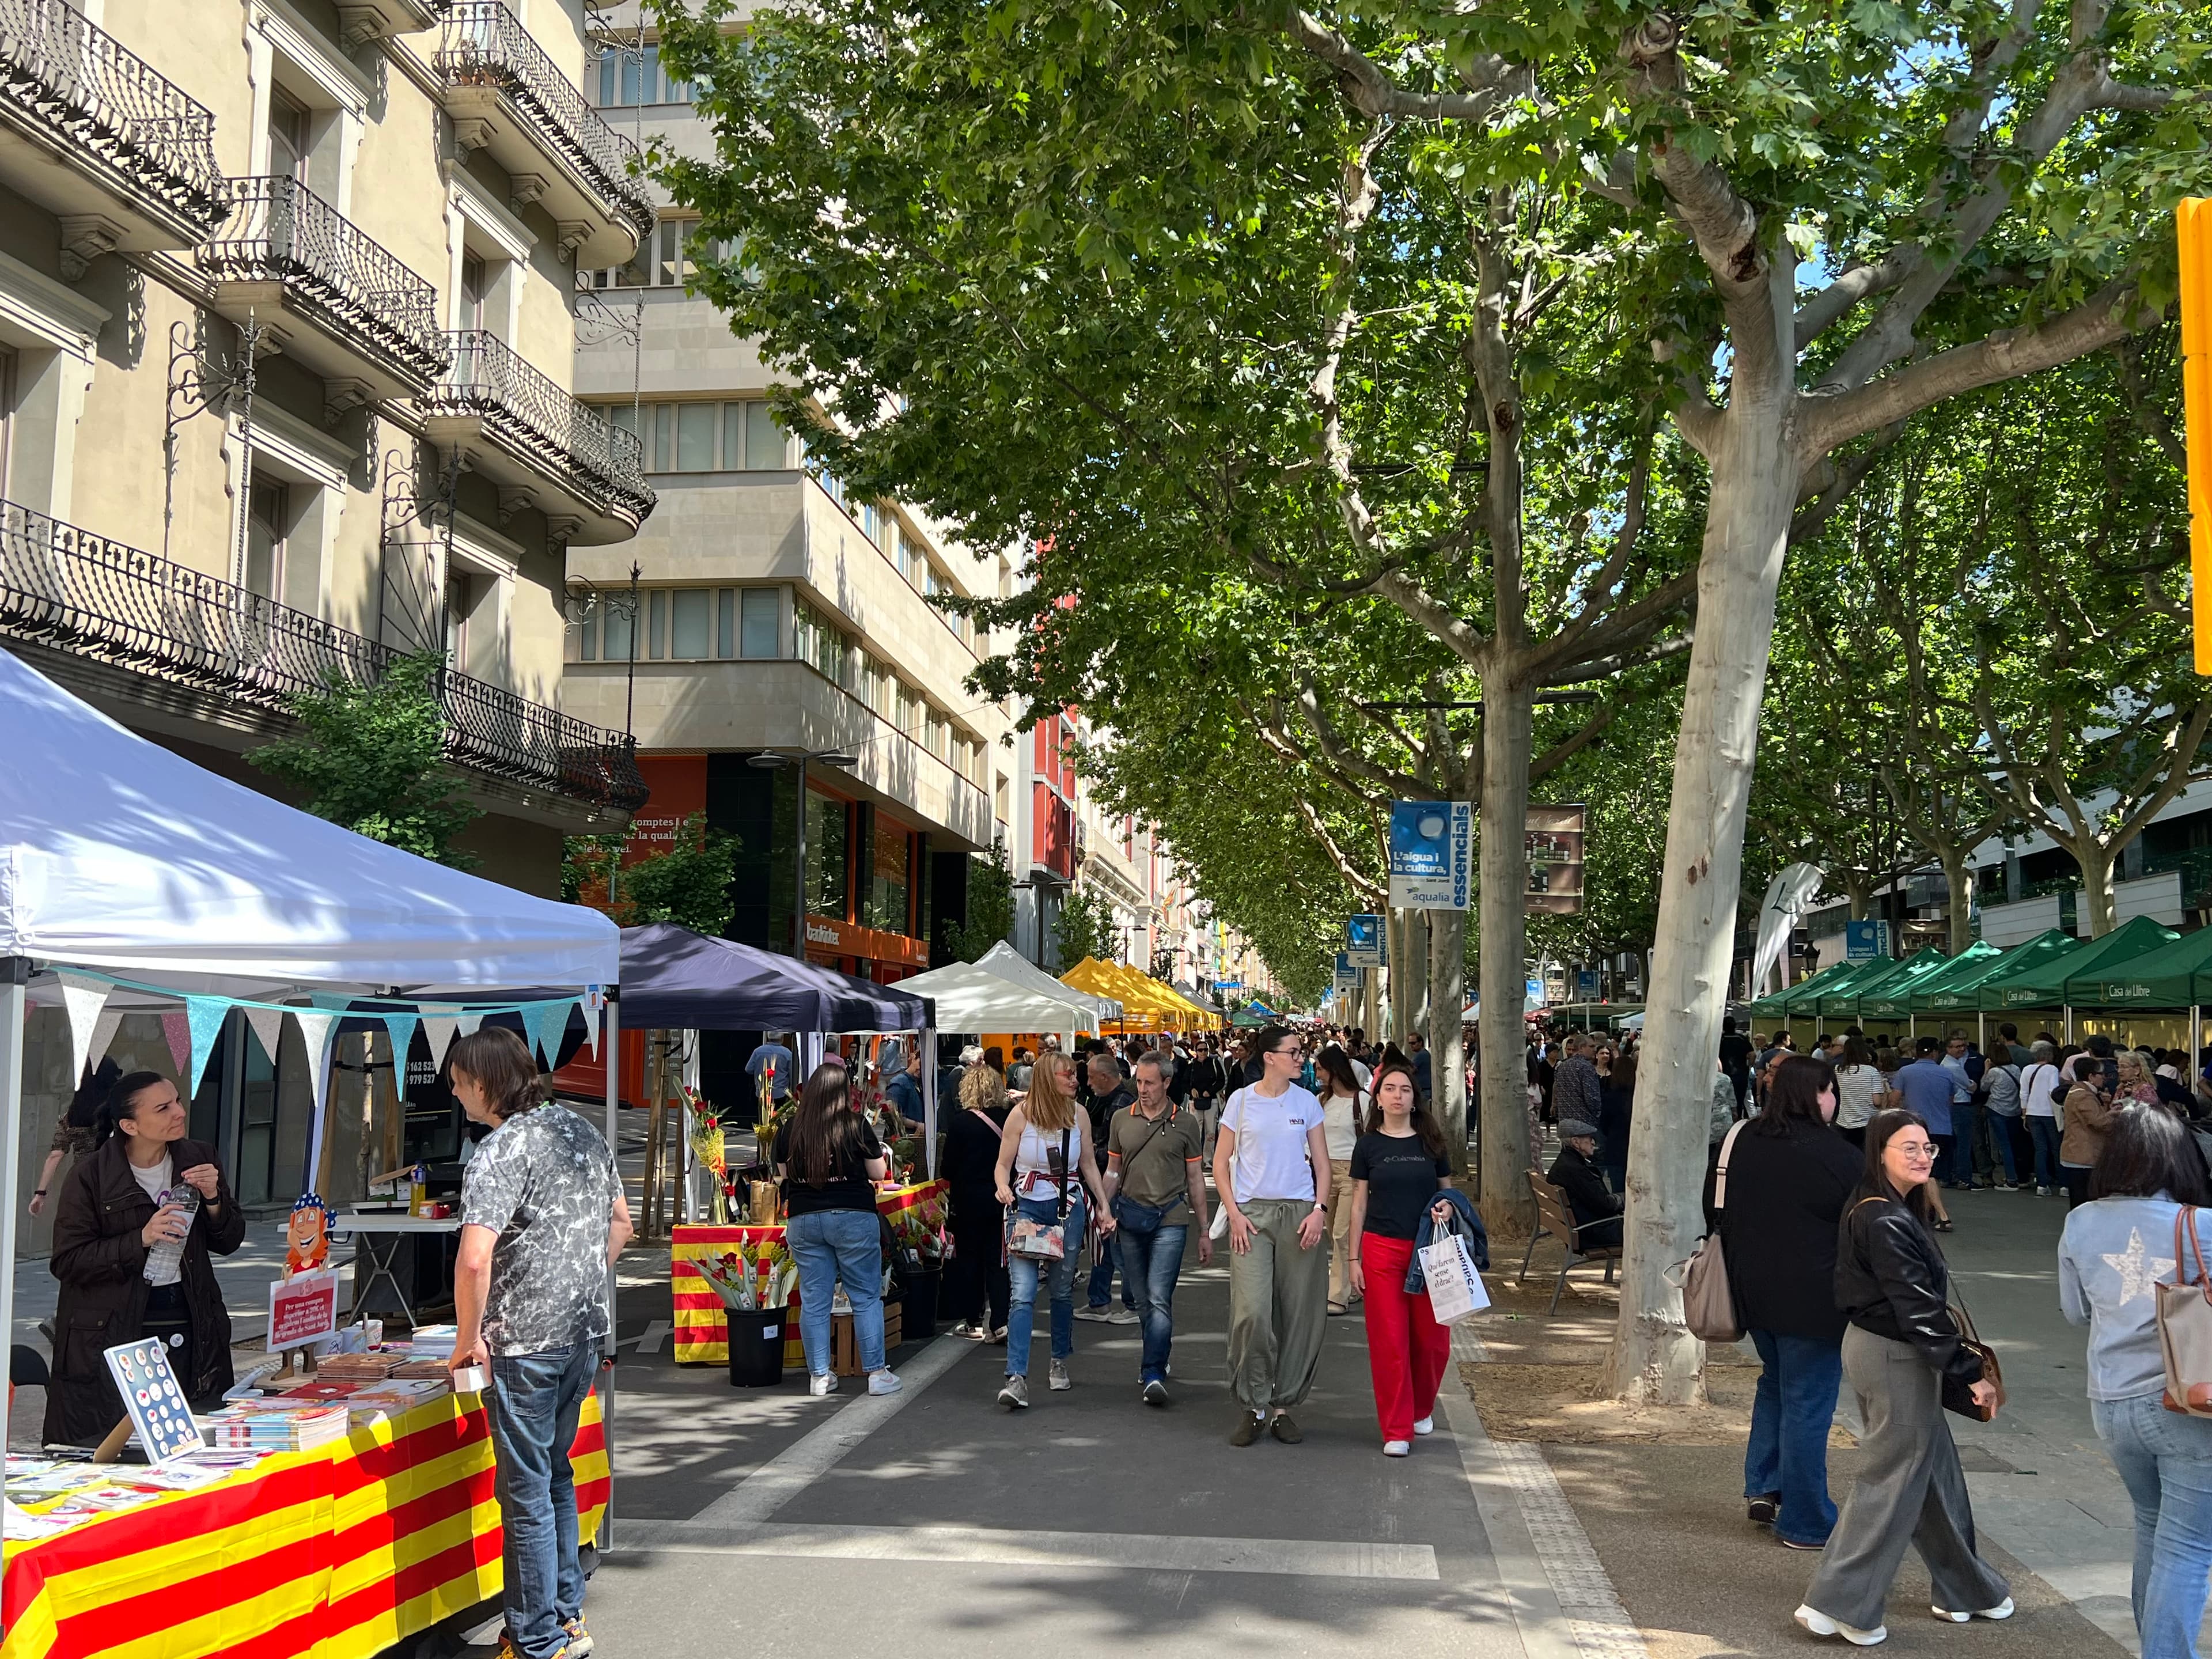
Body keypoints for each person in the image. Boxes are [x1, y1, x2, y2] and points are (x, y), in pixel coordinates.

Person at [447, 1028, 630, 1659]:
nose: (453, 1092)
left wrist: (468, 1339)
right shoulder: (578, 1129)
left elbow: (475, 1260)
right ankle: (562, 1616)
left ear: (480, 1083)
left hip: (524, 1342)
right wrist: (576, 1279)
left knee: (527, 1488)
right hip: (581, 1329)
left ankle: (536, 1637)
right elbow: (620, 1223)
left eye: (457, 1080)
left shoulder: (498, 1151)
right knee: (553, 1474)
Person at [1796, 1108, 2010, 1646]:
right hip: (1897, 1353)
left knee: (1931, 1474)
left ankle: (1969, 1588)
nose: (1922, 1156)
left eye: (1928, 1148)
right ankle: (1838, 1604)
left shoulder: (1884, 1207)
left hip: (1889, 1349)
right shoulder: (1885, 1217)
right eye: (1908, 1148)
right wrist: (1969, 1374)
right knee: (1892, 1478)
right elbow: (1916, 1310)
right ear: (1880, 1153)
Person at [2059, 1105, 2212, 1658]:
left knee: (2153, 1528)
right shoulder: (2199, 1224)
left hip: (2110, 1401)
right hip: (2186, 1403)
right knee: (2189, 1545)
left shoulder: (2080, 1221)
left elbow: (2074, 1312)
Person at [46, 1071, 244, 1445]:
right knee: (124, 1446)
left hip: (191, 1318)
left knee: (193, 1441)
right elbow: (68, 1261)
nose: (179, 1113)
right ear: (130, 1125)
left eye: (178, 1101)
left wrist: (215, 1198)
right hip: (114, 1327)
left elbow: (230, 1240)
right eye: (164, 1108)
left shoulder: (198, 1157)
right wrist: (141, 1239)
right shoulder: (90, 1175)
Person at [1723, 1056, 1861, 1551]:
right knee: (1808, 1402)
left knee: (1776, 1384)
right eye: (1828, 1090)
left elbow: (1712, 1205)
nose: (1834, 1099)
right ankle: (1805, 1520)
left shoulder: (1742, 1140)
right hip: (1816, 1297)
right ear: (1814, 1094)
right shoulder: (1839, 1155)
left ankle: (1764, 1484)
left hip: (1751, 1289)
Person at [1215, 1023, 1333, 1446]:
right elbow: (1220, 1163)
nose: (1302, 1058)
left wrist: (1320, 1211)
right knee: (1253, 1312)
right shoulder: (1241, 1102)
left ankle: (1283, 1405)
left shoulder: (1308, 1103)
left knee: (1301, 1313)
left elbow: (1323, 1165)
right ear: (1270, 1057)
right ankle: (1253, 1402)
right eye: (1294, 1052)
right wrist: (1233, 1213)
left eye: (1302, 1052)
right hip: (1252, 1216)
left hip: (1301, 1213)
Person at [993, 1051, 1115, 1407]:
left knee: (1062, 1292)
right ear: (1049, 1078)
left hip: (1068, 1208)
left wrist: (1103, 1204)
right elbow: (1003, 1165)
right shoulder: (1020, 1115)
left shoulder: (1078, 1116)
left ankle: (1058, 1360)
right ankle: (1016, 1377)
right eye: (1069, 1075)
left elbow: (1089, 1163)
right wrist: (1003, 1187)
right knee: (1023, 1294)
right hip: (1026, 1206)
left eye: (1076, 1075)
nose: (1076, 1081)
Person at [1348, 1060, 1456, 1456]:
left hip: (1431, 1249)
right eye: (1390, 1089)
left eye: (1405, 1089)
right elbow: (1358, 1204)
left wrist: (1447, 1209)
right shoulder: (1368, 1145)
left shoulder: (1432, 1142)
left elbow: (1449, 1192)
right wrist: (1352, 1259)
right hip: (1381, 1249)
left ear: (1415, 1098)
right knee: (1389, 1341)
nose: (1398, 1095)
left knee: (1433, 1342)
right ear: (1378, 1098)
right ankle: (1396, 1428)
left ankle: (1420, 1408)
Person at [776, 1060, 900, 1399]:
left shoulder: (790, 1129)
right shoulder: (855, 1125)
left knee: (815, 1300)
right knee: (865, 1295)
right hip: (852, 1216)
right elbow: (877, 1173)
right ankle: (876, 1373)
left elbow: (782, 1176)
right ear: (844, 1093)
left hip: (804, 1219)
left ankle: (819, 1376)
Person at [1101, 1051, 1210, 1404]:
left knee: (1160, 1298)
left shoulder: (1186, 1123)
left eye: (1150, 1083)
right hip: (1130, 1218)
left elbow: (1195, 1179)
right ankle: (1156, 1358)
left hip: (1171, 1219)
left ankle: (1153, 1370)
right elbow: (1113, 1171)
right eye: (1139, 1082)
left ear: (1167, 1082)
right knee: (1142, 1299)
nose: (1143, 1089)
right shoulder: (1121, 1119)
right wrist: (1103, 1208)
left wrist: (1205, 1230)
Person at [945, 1064, 1012, 1342]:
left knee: (970, 1261)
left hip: (967, 1199)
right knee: (998, 1262)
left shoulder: (960, 1123)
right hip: (1000, 1196)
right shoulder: (1009, 1118)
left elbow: (947, 1167)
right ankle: (1000, 1321)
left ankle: (973, 1320)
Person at [1078, 1053, 1139, 1324]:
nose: (1088, 1083)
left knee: (1116, 1244)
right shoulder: (1109, 1100)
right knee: (1104, 1241)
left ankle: (1133, 1303)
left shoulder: (1121, 1102)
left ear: (1105, 1076)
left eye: (1091, 1077)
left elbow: (1119, 1150)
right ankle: (1100, 1300)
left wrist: (1093, 1152)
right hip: (1106, 1180)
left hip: (1115, 1181)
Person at [1315, 1048, 1366, 1315]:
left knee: (1341, 1233)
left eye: (1320, 1068)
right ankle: (1353, 1281)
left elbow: (1372, 1138)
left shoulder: (1363, 1101)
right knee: (1331, 1230)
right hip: (1324, 1172)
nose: (1317, 1074)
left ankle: (1337, 1296)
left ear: (1333, 1070)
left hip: (1353, 1173)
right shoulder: (1321, 1100)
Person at [1892, 1037, 1959, 1199]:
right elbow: (1950, 1101)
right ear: (1936, 1053)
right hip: (1942, 1129)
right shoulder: (1947, 1073)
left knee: (1915, 1172)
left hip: (1913, 1130)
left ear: (1917, 1052)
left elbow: (1894, 1100)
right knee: (1932, 1174)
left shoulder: (1905, 1072)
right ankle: (1931, 1207)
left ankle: (1924, 1208)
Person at [1547, 1119, 1623, 1250]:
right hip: (1593, 1233)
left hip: (1584, 1229)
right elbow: (1606, 1206)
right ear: (1576, 1142)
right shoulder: (1575, 1170)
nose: (1593, 1142)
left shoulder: (1564, 1164)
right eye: (1589, 1138)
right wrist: (1628, 1199)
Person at [2062, 1062, 2122, 1207]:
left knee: (2081, 1199)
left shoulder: (2080, 1092)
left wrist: (2108, 1108)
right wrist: (2118, 1118)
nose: (2105, 1078)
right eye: (2101, 1074)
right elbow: (2099, 1122)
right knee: (2083, 1201)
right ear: (2091, 1077)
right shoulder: (2083, 1096)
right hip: (2083, 1156)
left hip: (2079, 1154)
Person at [2021, 1039, 2066, 1196]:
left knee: (2040, 1149)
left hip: (2032, 1113)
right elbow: (2053, 1091)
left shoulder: (2026, 1070)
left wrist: (2025, 1113)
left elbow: (2023, 1093)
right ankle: (2064, 1184)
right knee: (2056, 1148)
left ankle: (2042, 1184)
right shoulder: (2052, 1069)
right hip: (2049, 1113)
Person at [1832, 1037, 1887, 1152]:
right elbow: (1877, 1101)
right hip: (1867, 1122)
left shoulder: (1839, 1070)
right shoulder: (1872, 1072)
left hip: (1844, 1121)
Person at [1597, 1050, 1636, 1194]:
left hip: (1615, 1149)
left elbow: (1603, 1125)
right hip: (1638, 1149)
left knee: (1619, 1191)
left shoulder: (1610, 1098)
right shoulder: (1641, 1098)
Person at [1552, 1034, 1603, 1136]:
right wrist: (1598, 1114)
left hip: (1564, 1122)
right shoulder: (1586, 1067)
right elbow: (1592, 1098)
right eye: (1591, 1046)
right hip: (1584, 1123)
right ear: (1581, 1048)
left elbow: (1557, 1091)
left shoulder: (1562, 1066)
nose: (1595, 1050)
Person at [884, 1044, 926, 1135]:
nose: (920, 1069)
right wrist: (917, 1125)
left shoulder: (918, 1082)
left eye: (926, 1067)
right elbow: (893, 1115)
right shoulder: (899, 1083)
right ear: (913, 1059)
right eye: (920, 1064)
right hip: (901, 1138)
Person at [745, 1034, 796, 1104]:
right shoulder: (788, 1053)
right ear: (782, 1039)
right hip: (780, 1093)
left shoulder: (758, 1052)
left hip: (761, 1091)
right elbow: (793, 1074)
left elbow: (749, 1069)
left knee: (762, 1114)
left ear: (768, 1038)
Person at [1721, 1015, 1755, 1114]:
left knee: (1724, 1100)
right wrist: (1749, 1066)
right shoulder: (1741, 1038)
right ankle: (1738, 1118)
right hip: (1740, 1074)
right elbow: (1753, 1055)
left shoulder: (1721, 1039)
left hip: (1724, 1073)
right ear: (1735, 1026)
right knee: (1739, 1100)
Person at [1407, 1031, 1434, 1104]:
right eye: (1410, 1043)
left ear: (1420, 1043)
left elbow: (1410, 1071)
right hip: (1424, 1090)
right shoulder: (1423, 1054)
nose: (1411, 1046)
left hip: (1424, 1091)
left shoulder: (1421, 1055)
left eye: (1413, 1043)